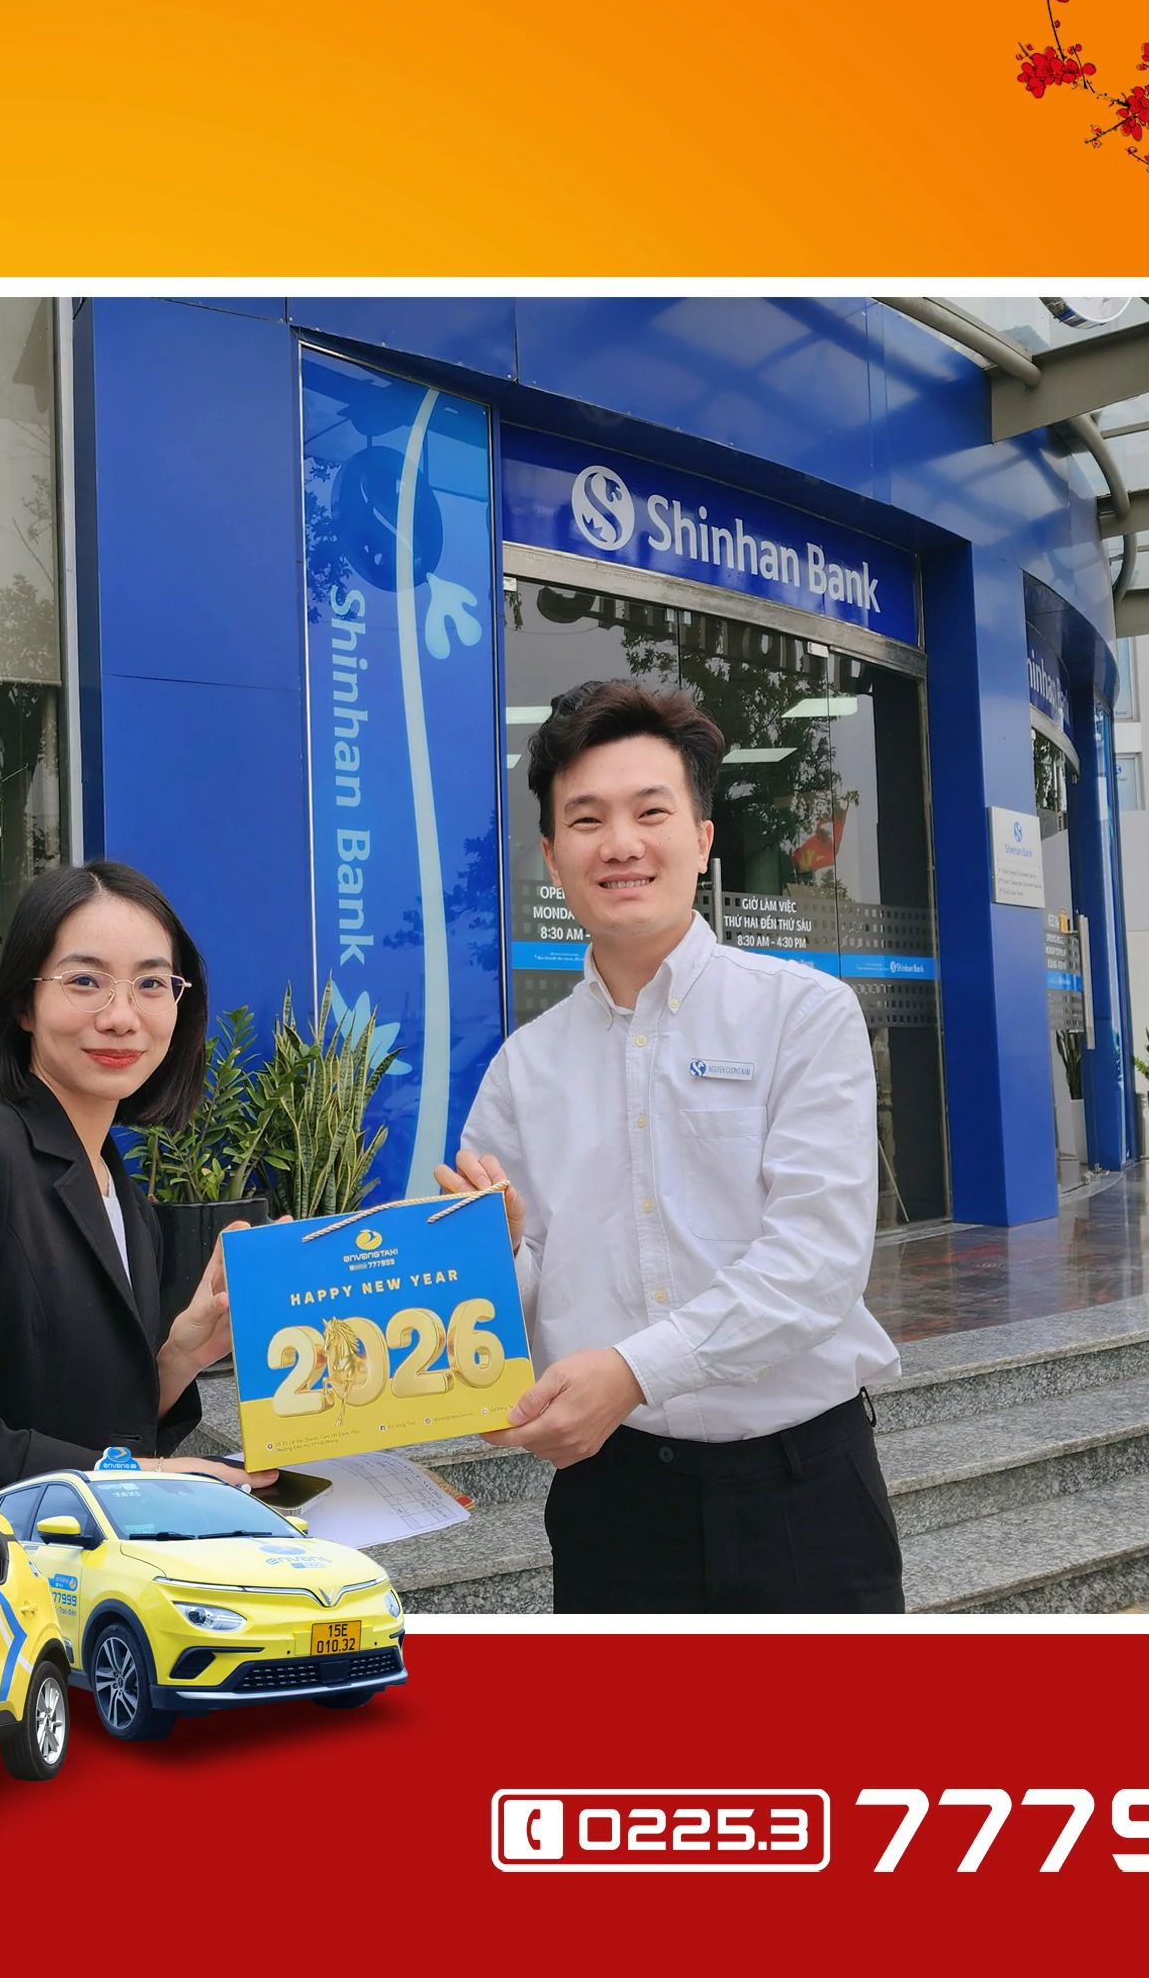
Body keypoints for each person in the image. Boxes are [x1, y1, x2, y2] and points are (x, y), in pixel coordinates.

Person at [437, 680, 903, 1614]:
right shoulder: (524, 1068)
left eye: (651, 812)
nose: (620, 844)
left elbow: (817, 1261)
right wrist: (493, 1273)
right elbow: (517, 1282)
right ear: (552, 856)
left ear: (701, 837)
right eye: (586, 819)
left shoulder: (802, 1014)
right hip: (614, 1504)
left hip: (802, 1495)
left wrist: (634, 1371)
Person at [0, 860, 267, 1503]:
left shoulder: (125, 1199)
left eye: (152, 983)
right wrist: (148, 1477)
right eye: (85, 981)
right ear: (24, 1004)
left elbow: (89, 1434)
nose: (122, 1016)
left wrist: (180, 1358)